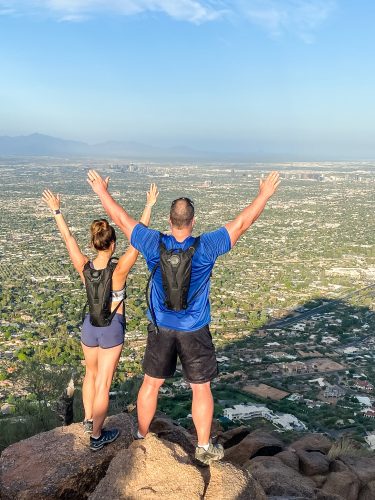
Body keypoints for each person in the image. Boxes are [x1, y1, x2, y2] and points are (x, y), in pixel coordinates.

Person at [87, 169, 280, 464]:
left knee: (151, 384)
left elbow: (122, 220)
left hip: (161, 327)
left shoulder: (153, 242)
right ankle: (203, 446)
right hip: (195, 329)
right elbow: (243, 222)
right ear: (192, 222)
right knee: (200, 387)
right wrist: (264, 194)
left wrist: (102, 192)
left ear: (169, 220)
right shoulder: (207, 245)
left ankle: (140, 436)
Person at [42, 182, 159, 451]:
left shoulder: (84, 266)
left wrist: (57, 211)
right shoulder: (118, 271)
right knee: (104, 384)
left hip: (89, 327)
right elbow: (138, 239)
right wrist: (149, 205)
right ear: (113, 243)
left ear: (93, 244)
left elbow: (68, 240)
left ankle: (87, 420)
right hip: (112, 328)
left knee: (90, 376)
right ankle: (96, 436)